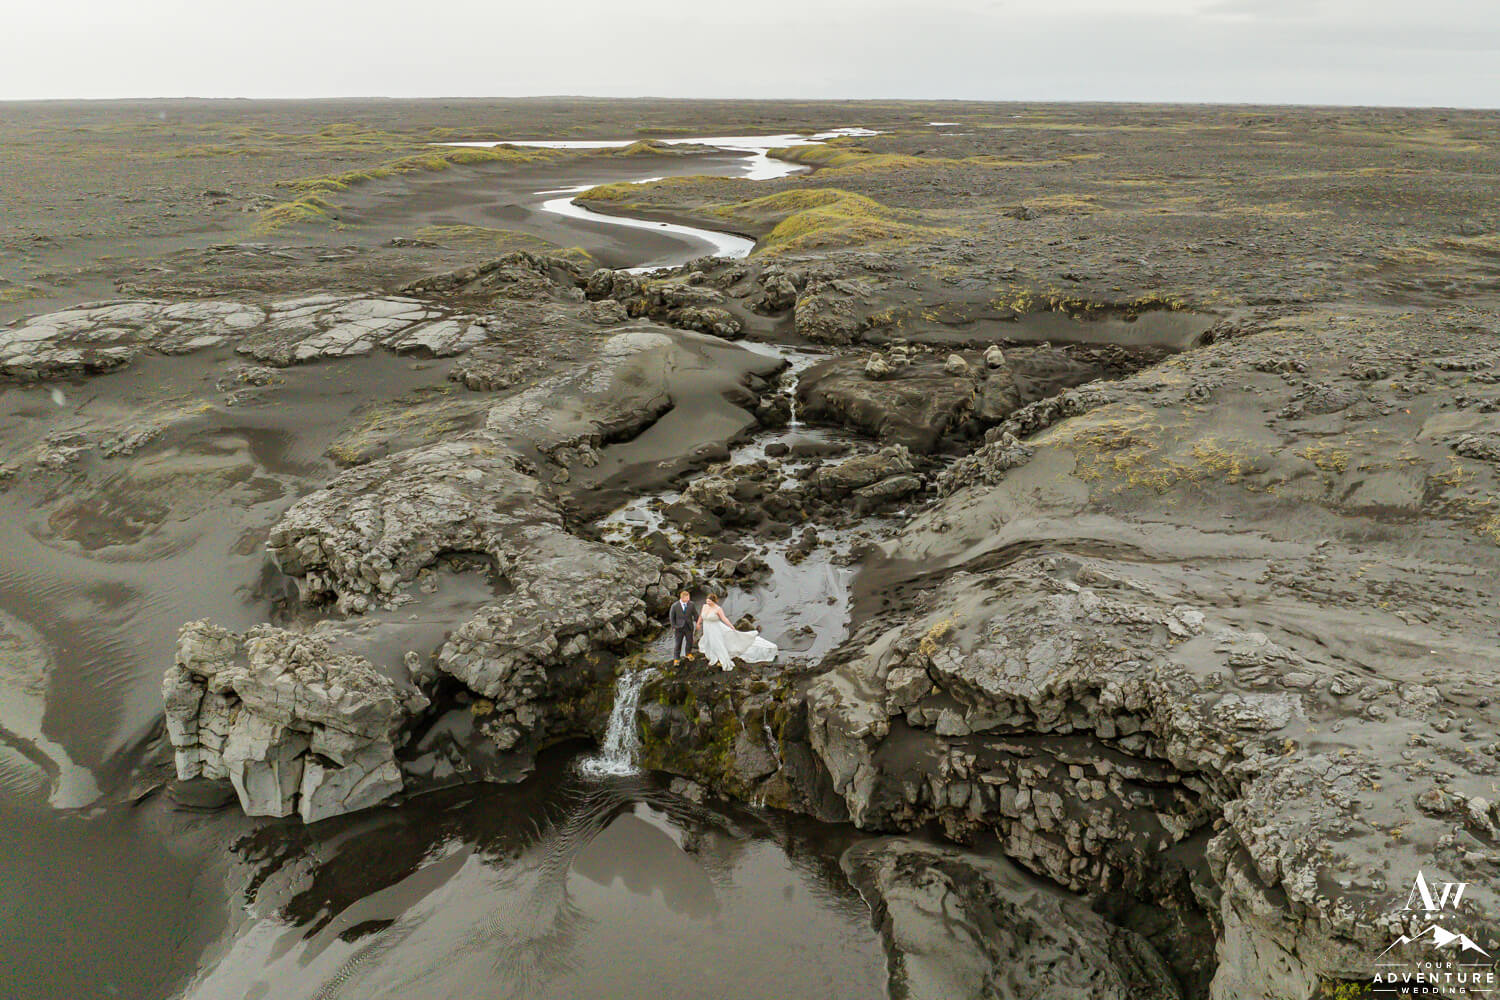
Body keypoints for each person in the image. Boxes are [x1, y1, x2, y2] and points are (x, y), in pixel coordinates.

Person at [697, 594, 777, 671]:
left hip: (716, 628)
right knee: (709, 641)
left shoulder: (718, 609)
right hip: (707, 628)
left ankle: (720, 657)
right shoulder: (705, 606)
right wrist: (698, 623)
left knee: (718, 643)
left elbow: (724, 618)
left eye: (709, 601)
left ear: (713, 601)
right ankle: (712, 653)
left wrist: (731, 626)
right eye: (707, 601)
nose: (708, 602)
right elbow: (701, 616)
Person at [668, 591, 699, 666]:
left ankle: (688, 654)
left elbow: (695, 614)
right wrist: (674, 626)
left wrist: (698, 622)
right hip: (679, 628)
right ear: (682, 598)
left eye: (689, 597)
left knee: (689, 641)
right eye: (687, 598)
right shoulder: (675, 606)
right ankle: (676, 658)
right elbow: (671, 617)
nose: (688, 599)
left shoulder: (691, 604)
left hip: (689, 626)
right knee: (678, 643)